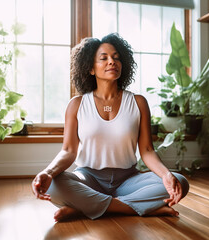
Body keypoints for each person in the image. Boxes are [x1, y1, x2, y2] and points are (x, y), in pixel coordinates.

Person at [31, 33, 189, 222]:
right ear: (90, 68)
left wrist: (166, 175)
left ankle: (84, 209)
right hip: (88, 179)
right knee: (54, 185)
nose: (112, 62)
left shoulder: (138, 103)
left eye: (116, 57)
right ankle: (136, 208)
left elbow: (146, 151)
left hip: (129, 180)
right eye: (104, 58)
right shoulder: (77, 104)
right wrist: (47, 172)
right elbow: (68, 151)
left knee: (179, 182)